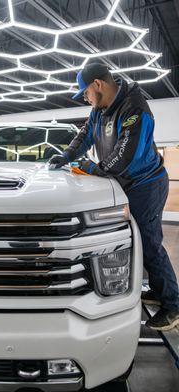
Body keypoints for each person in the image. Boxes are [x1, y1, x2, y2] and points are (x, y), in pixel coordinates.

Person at [49, 62, 179, 331]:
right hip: (127, 185)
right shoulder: (99, 109)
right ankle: (157, 289)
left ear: (98, 85)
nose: (86, 99)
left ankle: (174, 305)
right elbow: (85, 136)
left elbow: (126, 155)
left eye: (85, 93)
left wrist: (96, 169)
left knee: (150, 243)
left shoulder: (135, 108)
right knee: (135, 241)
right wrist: (67, 156)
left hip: (146, 184)